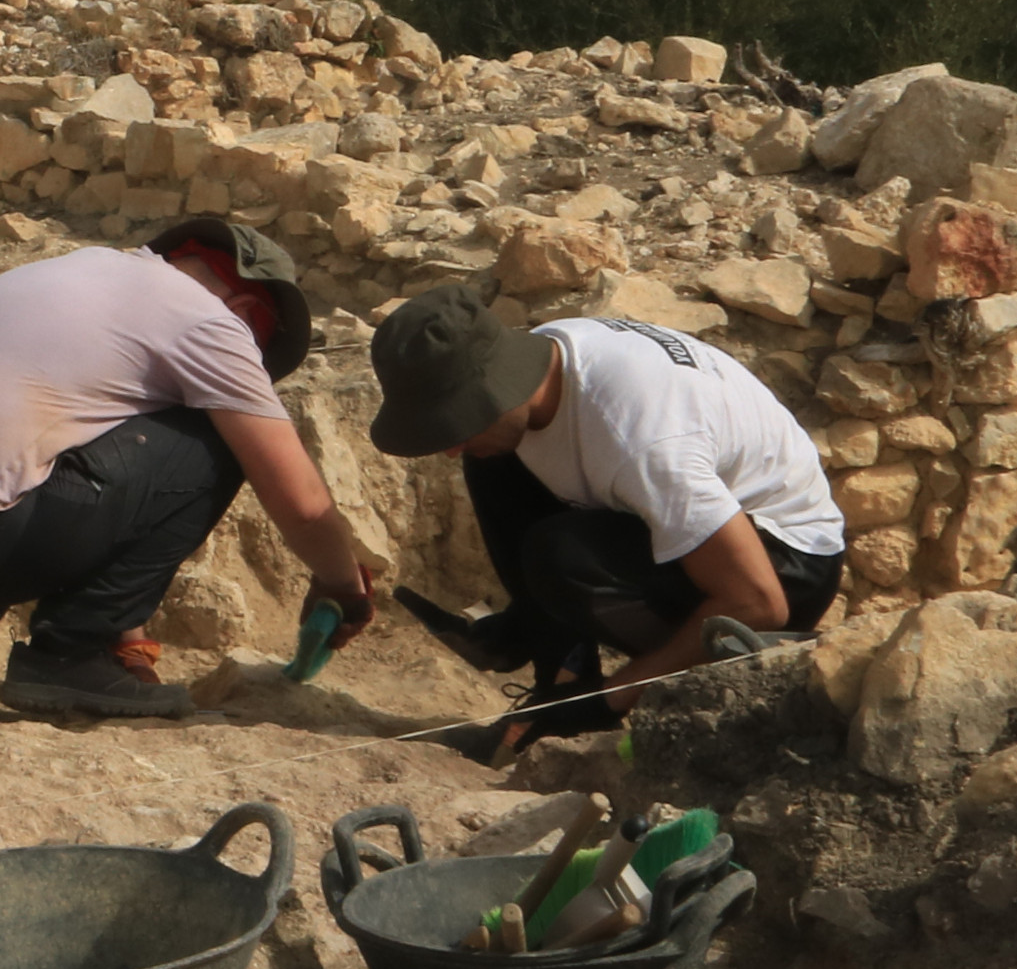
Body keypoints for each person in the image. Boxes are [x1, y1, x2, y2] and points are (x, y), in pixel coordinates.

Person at [0, 218, 382, 718]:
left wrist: (130, 633)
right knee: (219, 441)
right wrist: (343, 587)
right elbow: (303, 505)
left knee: (16, 455)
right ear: (243, 311)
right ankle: (70, 655)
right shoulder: (212, 321)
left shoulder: (77, 270)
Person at [363, 284, 848, 761]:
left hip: (785, 562)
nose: (447, 446)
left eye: (457, 420)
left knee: (562, 557)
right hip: (709, 529)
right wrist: (531, 622)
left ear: (498, 385)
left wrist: (607, 699)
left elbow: (759, 603)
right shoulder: (551, 353)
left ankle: (580, 702)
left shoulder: (644, 442)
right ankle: (555, 676)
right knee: (490, 458)